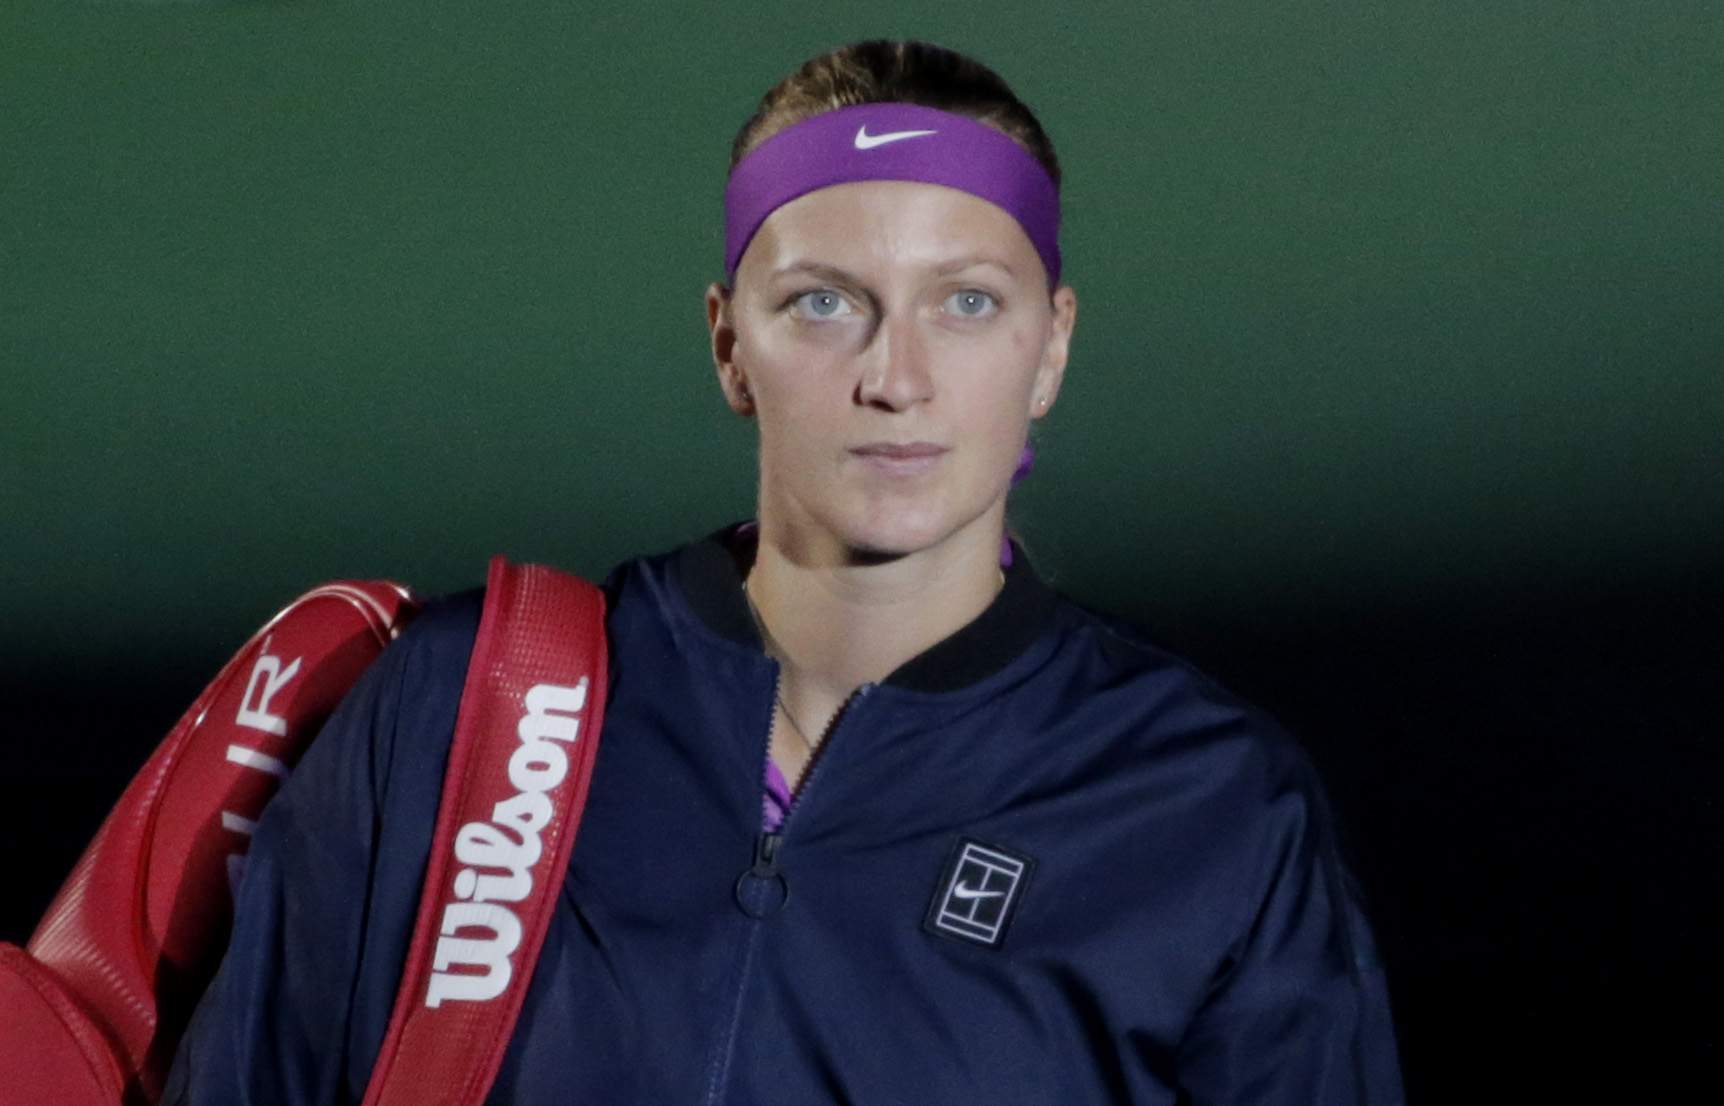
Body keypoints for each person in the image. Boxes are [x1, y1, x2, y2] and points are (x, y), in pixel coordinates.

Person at [165, 39, 1403, 1105]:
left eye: (967, 303)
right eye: (823, 304)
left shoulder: (1203, 801)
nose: (895, 378)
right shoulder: (463, 706)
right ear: (727, 345)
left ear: (1050, 348)